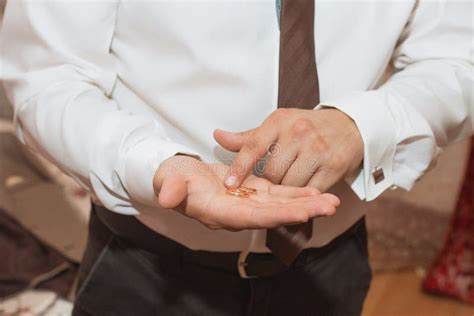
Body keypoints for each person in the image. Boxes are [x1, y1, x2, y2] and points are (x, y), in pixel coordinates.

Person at [1, 1, 472, 315]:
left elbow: (456, 58)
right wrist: (156, 166)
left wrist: (362, 126)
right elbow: (46, 76)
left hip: (331, 263)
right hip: (146, 269)